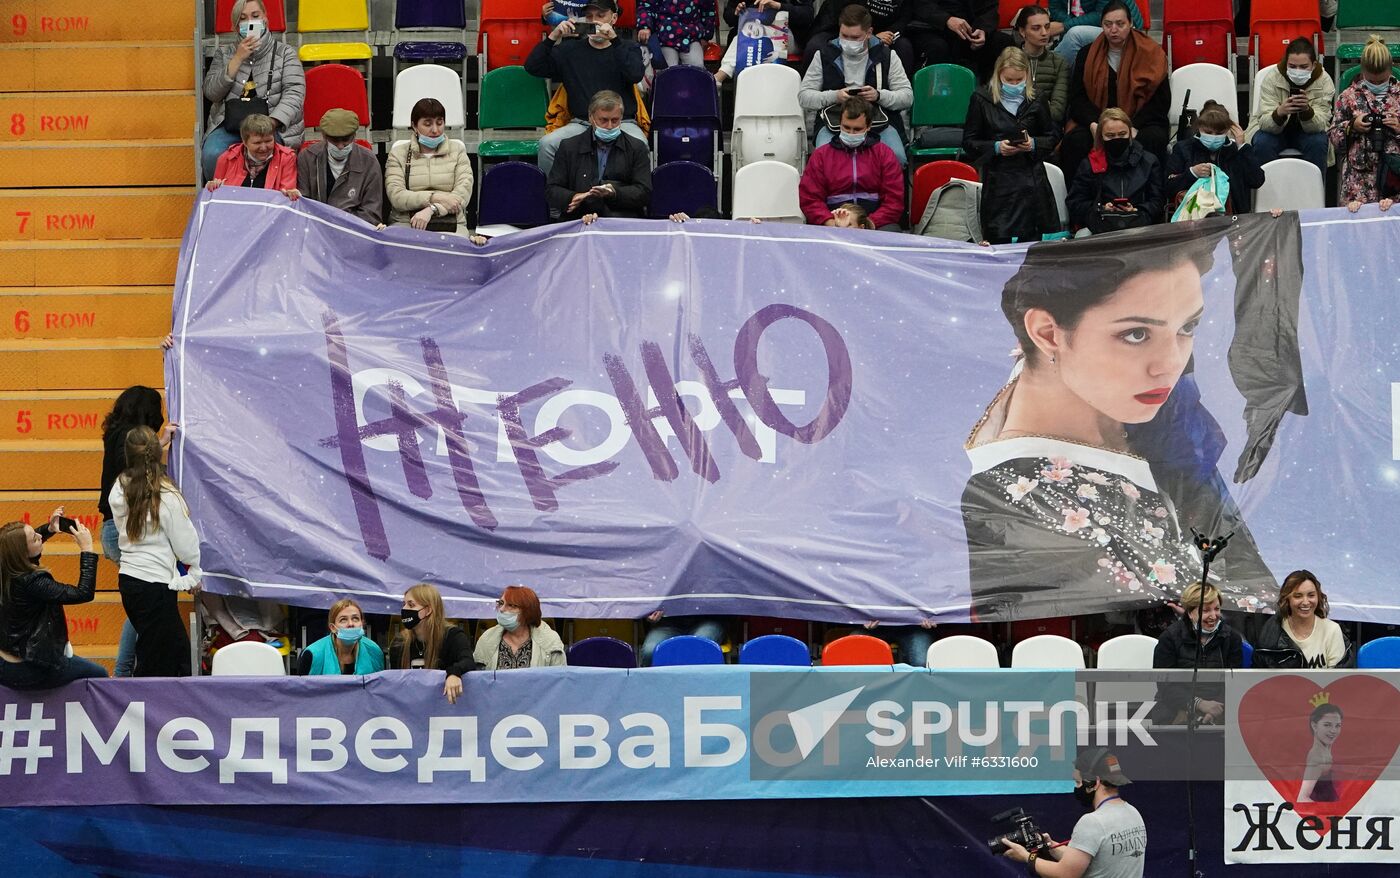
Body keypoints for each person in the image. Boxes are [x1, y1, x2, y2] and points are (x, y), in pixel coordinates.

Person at [962, 220, 1283, 621]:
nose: (1170, 365)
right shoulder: (1013, 493)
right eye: (1135, 334)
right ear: (1047, 333)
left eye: (1188, 327)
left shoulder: (1163, 433)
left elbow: (1261, 596)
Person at [97, 386, 175, 678]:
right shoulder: (127, 440)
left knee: (142, 603)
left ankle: (126, 669)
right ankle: (124, 669)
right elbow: (134, 471)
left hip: (116, 529)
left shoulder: (117, 434)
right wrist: (160, 443)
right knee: (144, 604)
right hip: (122, 530)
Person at [110, 426, 201, 677]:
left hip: (130, 579)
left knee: (159, 651)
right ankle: (143, 711)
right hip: (154, 584)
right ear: (157, 453)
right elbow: (185, 542)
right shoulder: (166, 494)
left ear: (127, 455)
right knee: (166, 659)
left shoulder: (119, 487)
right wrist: (193, 570)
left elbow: (123, 528)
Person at [526, 0, 647, 174]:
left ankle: (635, 200)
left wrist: (614, 40)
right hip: (581, 123)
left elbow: (635, 74)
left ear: (613, 18)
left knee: (640, 144)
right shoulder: (569, 50)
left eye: (600, 15)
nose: (594, 20)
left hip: (620, 123)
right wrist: (554, 36)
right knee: (547, 144)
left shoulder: (628, 47)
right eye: (589, 16)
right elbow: (533, 67)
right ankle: (558, 195)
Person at [962, 47, 1062, 243]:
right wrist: (997, 147)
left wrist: (1033, 144)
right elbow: (969, 142)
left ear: (1027, 75)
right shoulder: (981, 99)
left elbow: (1052, 137)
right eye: (1009, 80)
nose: (1015, 84)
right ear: (999, 75)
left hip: (1032, 181)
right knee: (999, 241)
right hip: (999, 182)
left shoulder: (1037, 98)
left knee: (1033, 245)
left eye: (1019, 80)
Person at [1060, 1, 1169, 182]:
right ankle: (1081, 203)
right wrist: (1096, 123)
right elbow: (1078, 99)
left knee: (1153, 139)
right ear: (1101, 25)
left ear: (1131, 24)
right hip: (1097, 120)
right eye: (1108, 24)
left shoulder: (1152, 54)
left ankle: (1151, 202)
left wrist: (1130, 126)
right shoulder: (1087, 54)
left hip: (1140, 120)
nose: (1113, 30)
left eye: (1120, 24)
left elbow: (1161, 102)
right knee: (1075, 142)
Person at [1000, 748, 1147, 877]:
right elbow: (1093, 860)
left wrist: (1026, 857)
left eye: (1078, 782)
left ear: (1093, 783)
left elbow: (1065, 873)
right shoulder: (1133, 813)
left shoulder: (1092, 822)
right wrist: (1050, 847)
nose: (1076, 788)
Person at [798, 5, 914, 167]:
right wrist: (835, 96)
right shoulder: (823, 54)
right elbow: (804, 97)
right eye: (844, 36)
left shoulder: (887, 55)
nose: (848, 42)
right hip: (835, 123)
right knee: (823, 162)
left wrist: (879, 95)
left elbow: (907, 97)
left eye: (855, 38)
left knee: (897, 158)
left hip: (877, 122)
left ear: (869, 33)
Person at [0, 513, 107, 689]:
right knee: (100, 674)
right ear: (22, 553)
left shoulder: (6, 565)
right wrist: (87, 549)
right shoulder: (32, 582)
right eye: (35, 538)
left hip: (5, 660)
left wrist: (49, 529)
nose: (40, 536)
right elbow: (83, 593)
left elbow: (18, 544)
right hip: (27, 668)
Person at [201, 0, 304, 180]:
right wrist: (237, 59)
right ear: (236, 26)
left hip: (272, 127)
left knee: (270, 156)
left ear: (265, 19)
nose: (250, 22)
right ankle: (221, 200)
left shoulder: (286, 53)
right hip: (230, 126)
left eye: (255, 16)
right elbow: (211, 93)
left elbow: (294, 93)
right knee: (212, 154)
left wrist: (272, 123)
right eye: (243, 18)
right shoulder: (224, 54)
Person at [799, 97, 905, 231]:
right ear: (840, 123)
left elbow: (894, 200)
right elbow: (810, 199)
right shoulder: (821, 155)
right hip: (832, 222)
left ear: (869, 126)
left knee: (892, 232)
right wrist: (831, 223)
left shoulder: (884, 154)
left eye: (857, 129)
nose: (851, 133)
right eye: (846, 127)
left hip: (875, 223)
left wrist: (869, 224)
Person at [547, 90, 653, 220]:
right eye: (603, 120)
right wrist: (573, 197)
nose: (609, 126)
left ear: (622, 118)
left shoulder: (637, 148)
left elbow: (644, 192)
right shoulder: (569, 147)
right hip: (579, 219)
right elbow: (552, 190)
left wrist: (614, 193)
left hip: (620, 220)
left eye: (615, 120)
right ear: (591, 118)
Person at [1150, 581, 1244, 726]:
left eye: (1217, 609)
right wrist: (1196, 704)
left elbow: (1235, 682)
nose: (1213, 616)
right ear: (1190, 612)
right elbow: (1165, 685)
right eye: (1205, 611)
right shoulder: (1169, 638)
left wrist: (1215, 709)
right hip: (1175, 709)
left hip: (1219, 710)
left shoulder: (1232, 638)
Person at [1328, 36, 1400, 211]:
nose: (1376, 84)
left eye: (1381, 81)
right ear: (1362, 71)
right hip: (1357, 180)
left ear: (1391, 70)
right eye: (1371, 80)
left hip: (1394, 178)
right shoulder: (1348, 96)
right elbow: (1333, 139)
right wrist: (1352, 126)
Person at [1245, 37, 1334, 177]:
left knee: (1318, 142)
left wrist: (1307, 111)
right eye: (1292, 66)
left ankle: (1313, 193)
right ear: (1286, 63)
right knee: (1262, 142)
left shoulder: (1324, 81)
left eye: (1304, 67)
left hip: (1308, 133)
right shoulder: (1272, 78)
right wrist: (1279, 113)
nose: (1297, 70)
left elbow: (1321, 124)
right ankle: (1265, 192)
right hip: (1275, 131)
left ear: (1314, 64)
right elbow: (1263, 123)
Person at [1066, 108, 1163, 234]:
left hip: (1139, 225)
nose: (1117, 139)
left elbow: (1158, 202)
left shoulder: (1149, 162)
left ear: (1130, 134)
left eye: (1122, 134)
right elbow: (1075, 203)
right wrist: (1100, 208)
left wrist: (1136, 210)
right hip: (1099, 227)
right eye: (1110, 136)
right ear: (1101, 136)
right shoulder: (1090, 163)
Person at [385, 98, 472, 232]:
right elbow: (397, 196)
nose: (435, 130)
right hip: (406, 223)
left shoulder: (458, 151)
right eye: (427, 124)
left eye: (439, 123)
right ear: (414, 126)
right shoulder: (398, 153)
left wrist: (432, 209)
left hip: (451, 222)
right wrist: (434, 197)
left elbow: (461, 197)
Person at [1166, 100, 1265, 215]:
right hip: (1193, 219)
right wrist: (1192, 173)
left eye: (1219, 133)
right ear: (1199, 127)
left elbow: (1257, 181)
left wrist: (1242, 146)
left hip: (1233, 218)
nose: (1213, 137)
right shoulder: (1183, 149)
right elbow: (1168, 188)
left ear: (1228, 130)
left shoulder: (1236, 151)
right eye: (1208, 132)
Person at [296, 108, 384, 227]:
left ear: (354, 135)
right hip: (316, 228)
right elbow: (302, 203)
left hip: (354, 229)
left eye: (346, 140)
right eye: (334, 140)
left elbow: (371, 212)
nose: (340, 146)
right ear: (323, 135)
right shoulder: (307, 157)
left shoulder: (369, 161)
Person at [389, 583, 474, 703]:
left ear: (428, 610)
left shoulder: (453, 636)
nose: (404, 609)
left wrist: (454, 673)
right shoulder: (399, 642)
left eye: (411, 605)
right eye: (404, 604)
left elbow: (468, 661)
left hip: (444, 707)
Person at [1253, 570, 1354, 669]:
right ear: (1287, 599)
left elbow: (1338, 681)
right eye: (1298, 596)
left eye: (1311, 595)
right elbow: (1261, 679)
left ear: (1318, 597)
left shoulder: (1332, 630)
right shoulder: (1271, 632)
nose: (1305, 602)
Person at [903, 0, 1014, 80]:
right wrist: (946, 19)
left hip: (969, 30)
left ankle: (992, 97)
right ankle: (928, 98)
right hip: (932, 28)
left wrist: (983, 30)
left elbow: (990, 8)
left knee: (1003, 42)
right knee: (937, 47)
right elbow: (920, 5)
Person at [805, 0, 917, 76]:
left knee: (904, 47)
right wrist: (868, 36)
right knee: (815, 46)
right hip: (841, 27)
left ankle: (898, 101)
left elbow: (904, 17)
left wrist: (889, 34)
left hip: (883, 31)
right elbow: (844, 12)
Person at [473, 585, 568, 670]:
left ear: (527, 611)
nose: (501, 609)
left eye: (511, 605)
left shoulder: (550, 641)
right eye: (501, 603)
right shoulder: (487, 639)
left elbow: (559, 682)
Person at [205, 114, 299, 198]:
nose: (263, 148)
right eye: (257, 143)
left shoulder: (287, 158)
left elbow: (287, 195)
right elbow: (218, 199)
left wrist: (290, 194)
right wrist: (213, 187)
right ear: (245, 142)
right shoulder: (227, 158)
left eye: (268, 141)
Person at [298, 598, 385, 676]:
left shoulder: (374, 651)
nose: (351, 624)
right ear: (332, 628)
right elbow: (302, 691)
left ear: (362, 623)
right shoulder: (312, 654)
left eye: (355, 618)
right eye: (343, 620)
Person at [1014, 5, 1069, 124]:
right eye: (1036, 28)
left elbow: (1057, 112)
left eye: (1047, 27)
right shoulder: (1010, 60)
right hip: (1014, 124)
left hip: (1047, 128)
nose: (1044, 33)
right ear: (1022, 31)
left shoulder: (1059, 62)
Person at [1049, 0, 1143, 66]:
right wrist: (1069, 23)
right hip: (1082, 24)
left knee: (1075, 35)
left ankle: (1052, 75)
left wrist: (1064, 26)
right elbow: (1055, 9)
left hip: (1118, 27)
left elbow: (1101, 15)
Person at [716, 6, 794, 84]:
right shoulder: (762, 41)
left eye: (750, 27)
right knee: (739, 39)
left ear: (757, 21)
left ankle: (719, 77)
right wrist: (736, 11)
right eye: (749, 34)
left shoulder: (779, 17)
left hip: (794, 35)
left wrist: (778, 53)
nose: (752, 32)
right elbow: (728, 17)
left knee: (739, 40)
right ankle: (721, 78)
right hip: (760, 45)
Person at [637, 0, 716, 68]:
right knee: (669, 70)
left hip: (692, 35)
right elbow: (646, 6)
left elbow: (708, 10)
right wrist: (645, 26)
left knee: (697, 67)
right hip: (664, 36)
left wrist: (706, 36)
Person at [640, 611, 727, 666]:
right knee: (650, 651)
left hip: (709, 618)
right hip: (666, 622)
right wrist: (649, 610)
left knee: (698, 649)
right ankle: (650, 690)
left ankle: (699, 691)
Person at [1299, 697, 1342, 804]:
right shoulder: (1317, 757)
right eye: (1327, 725)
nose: (1333, 730)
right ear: (1314, 726)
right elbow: (1302, 798)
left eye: (1337, 726)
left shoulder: (1325, 752)